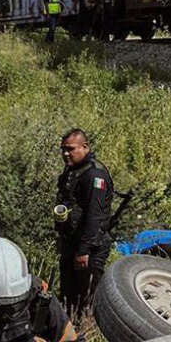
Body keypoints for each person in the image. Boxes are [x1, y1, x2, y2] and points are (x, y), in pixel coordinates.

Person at [54, 129, 113, 316]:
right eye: (63, 149)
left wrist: (84, 250)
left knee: (87, 299)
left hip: (89, 247)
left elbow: (95, 216)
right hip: (71, 242)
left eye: (70, 149)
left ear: (85, 147)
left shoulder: (95, 174)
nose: (65, 154)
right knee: (68, 297)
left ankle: (88, 334)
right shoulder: (73, 171)